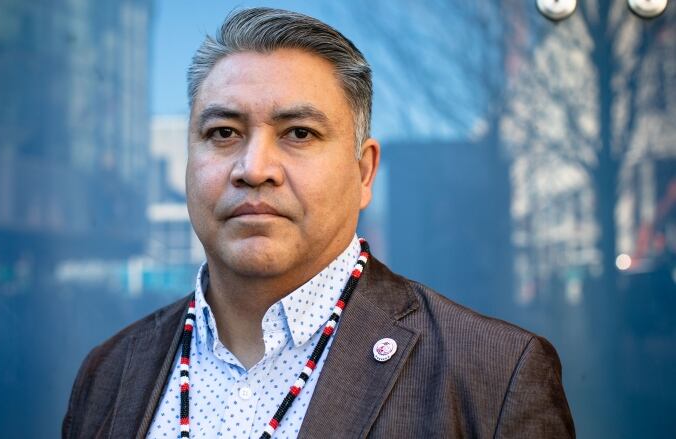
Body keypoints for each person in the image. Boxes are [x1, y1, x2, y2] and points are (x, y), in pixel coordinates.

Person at [62, 7, 575, 439]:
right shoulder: (110, 372)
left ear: (363, 170)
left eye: (299, 133)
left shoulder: (494, 376)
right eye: (222, 132)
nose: (254, 169)